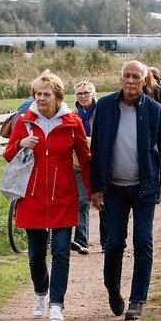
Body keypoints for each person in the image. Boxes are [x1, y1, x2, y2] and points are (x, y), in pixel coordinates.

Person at [91, 59, 161, 321]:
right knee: (114, 243)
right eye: (126, 76)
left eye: (136, 77)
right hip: (114, 189)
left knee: (143, 242)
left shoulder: (154, 111)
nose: (130, 81)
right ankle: (113, 288)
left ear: (145, 81)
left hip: (144, 189)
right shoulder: (106, 106)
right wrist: (96, 187)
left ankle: (137, 301)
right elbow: (96, 148)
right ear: (121, 79)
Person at [5, 70, 90, 321]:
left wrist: (94, 189)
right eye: (38, 94)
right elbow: (8, 155)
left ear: (58, 97)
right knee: (36, 254)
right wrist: (21, 144)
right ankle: (41, 292)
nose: (41, 98)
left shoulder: (73, 122)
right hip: (32, 197)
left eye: (46, 94)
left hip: (63, 195)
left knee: (62, 252)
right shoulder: (24, 121)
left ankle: (57, 304)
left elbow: (85, 159)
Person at [72, 81, 97, 254]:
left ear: (93, 94)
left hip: (100, 163)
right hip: (78, 164)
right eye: (79, 94)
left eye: (86, 93)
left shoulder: (101, 112)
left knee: (104, 203)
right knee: (81, 201)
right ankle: (81, 240)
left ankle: (108, 241)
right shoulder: (72, 115)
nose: (83, 96)